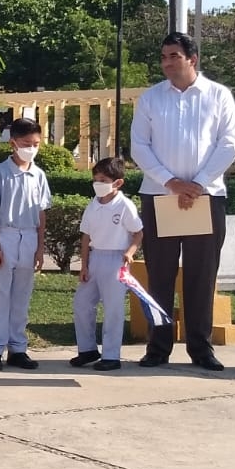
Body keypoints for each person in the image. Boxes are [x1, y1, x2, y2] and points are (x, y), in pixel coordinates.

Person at [129, 32, 235, 370]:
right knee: (160, 275)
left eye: (173, 56)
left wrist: (197, 184)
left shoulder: (218, 95)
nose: (166, 62)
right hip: (160, 196)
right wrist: (172, 182)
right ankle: (158, 347)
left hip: (206, 198)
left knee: (201, 275)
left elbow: (229, 144)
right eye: (163, 56)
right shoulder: (150, 99)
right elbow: (139, 146)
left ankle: (201, 348)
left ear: (192, 59)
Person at [0, 118, 52, 371]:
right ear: (13, 143)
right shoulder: (1, 173)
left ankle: (17, 348)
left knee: (22, 295)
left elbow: (42, 212)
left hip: (29, 235)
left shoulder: (38, 175)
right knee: (1, 295)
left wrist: (40, 246)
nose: (31, 149)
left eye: (35, 144)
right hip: (6, 234)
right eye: (26, 143)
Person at [70, 156, 143, 372]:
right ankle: (87, 349)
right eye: (96, 179)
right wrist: (84, 265)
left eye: (103, 180)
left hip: (116, 259)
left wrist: (130, 252)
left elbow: (138, 233)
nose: (98, 184)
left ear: (117, 182)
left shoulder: (124, 205)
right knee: (82, 303)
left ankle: (112, 355)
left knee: (113, 308)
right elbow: (86, 236)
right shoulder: (93, 205)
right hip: (96, 257)